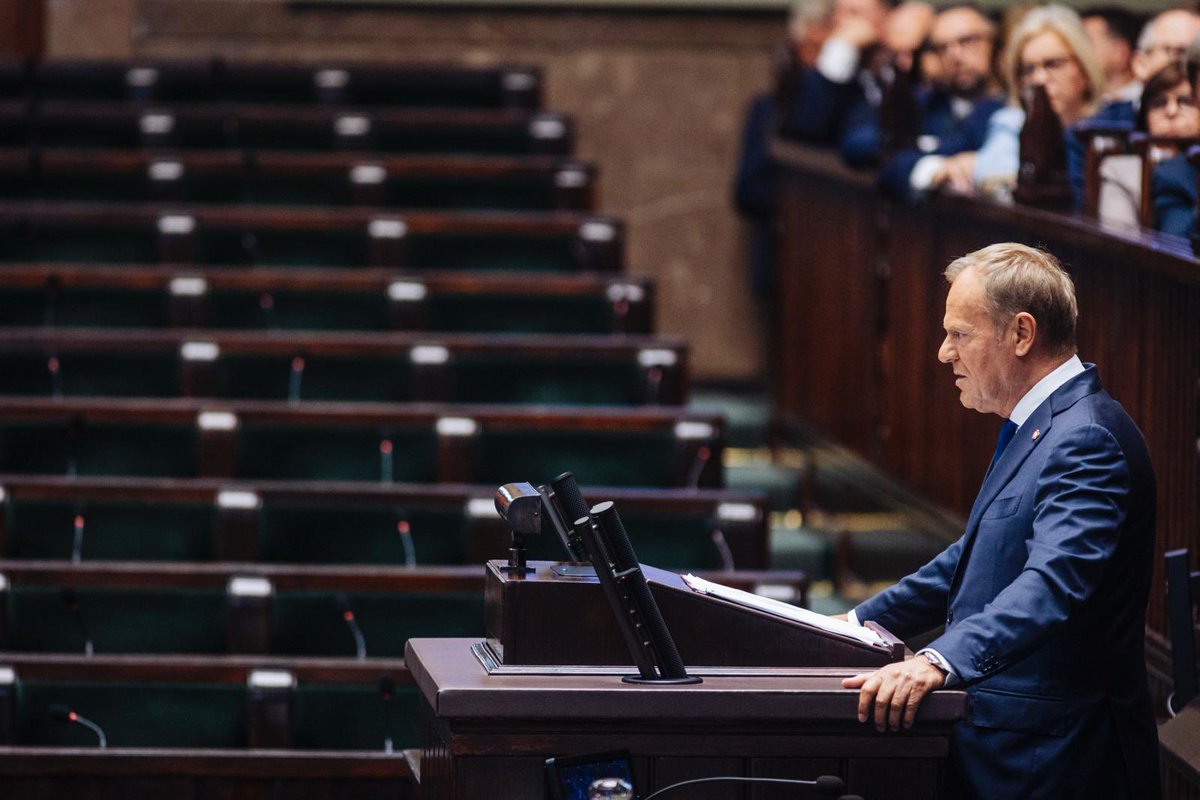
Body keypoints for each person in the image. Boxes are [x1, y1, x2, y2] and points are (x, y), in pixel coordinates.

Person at [839, 243, 1160, 800]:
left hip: (1056, 764)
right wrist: (852, 625)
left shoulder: (1085, 438)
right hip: (1016, 755)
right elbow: (972, 561)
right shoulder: (1043, 427)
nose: (944, 353)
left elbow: (1053, 582)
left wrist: (941, 659)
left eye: (960, 334)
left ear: (1021, 334)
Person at [972, 5, 1105, 205]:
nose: (1039, 79)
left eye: (1053, 64)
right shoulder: (1013, 121)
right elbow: (994, 179)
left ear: (1084, 70)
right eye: (1028, 69)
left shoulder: (1111, 122)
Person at [867, 3, 1005, 196]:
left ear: (996, 44)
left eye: (967, 41)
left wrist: (918, 148)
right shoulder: (926, 101)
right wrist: (934, 166)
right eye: (942, 47)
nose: (954, 55)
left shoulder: (1011, 108)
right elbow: (861, 144)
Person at [1098, 62, 1200, 229]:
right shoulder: (1120, 171)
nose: (1171, 111)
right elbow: (1120, 245)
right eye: (1159, 103)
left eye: (1186, 101)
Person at [1082, 6, 1143, 106]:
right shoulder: (1075, 105)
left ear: (1121, 52)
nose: (1077, 51)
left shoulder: (1148, 101)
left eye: (1086, 42)